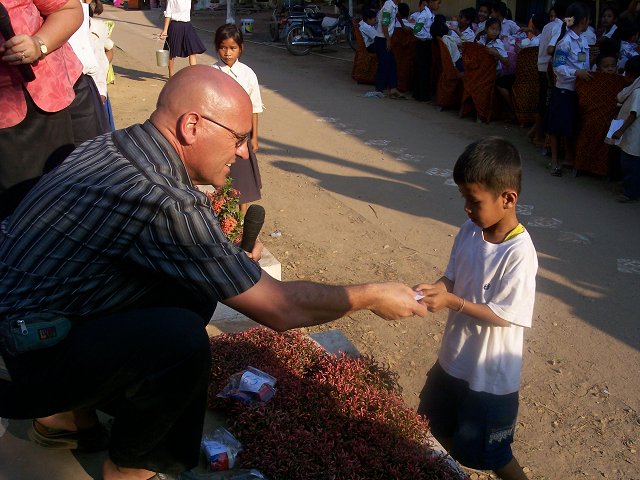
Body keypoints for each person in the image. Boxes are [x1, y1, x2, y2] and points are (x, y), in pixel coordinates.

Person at [0, 66, 428, 480]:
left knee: (198, 287)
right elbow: (282, 308)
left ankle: (64, 420)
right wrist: (371, 295)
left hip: (21, 331)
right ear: (191, 126)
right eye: (239, 138)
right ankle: (130, 469)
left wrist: (226, 262)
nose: (244, 152)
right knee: (180, 342)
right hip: (23, 364)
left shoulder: (116, 145)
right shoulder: (162, 199)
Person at [415, 137, 538, 480]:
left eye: (474, 200)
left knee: (494, 456)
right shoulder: (470, 231)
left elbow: (504, 315)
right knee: (433, 430)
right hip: (452, 362)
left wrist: (452, 302)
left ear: (508, 198)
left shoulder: (519, 253)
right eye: (464, 199)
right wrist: (435, 290)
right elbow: (452, 277)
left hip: (488, 380)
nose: (467, 209)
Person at [0, 0, 83, 219]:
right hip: (6, 120)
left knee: (60, 202)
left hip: (46, 100)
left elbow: (69, 9)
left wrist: (39, 44)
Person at [212, 24, 264, 215]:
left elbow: (255, 107)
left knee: (242, 178)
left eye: (232, 48)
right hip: (218, 134)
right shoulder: (211, 72)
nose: (227, 53)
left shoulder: (248, 74)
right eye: (223, 47)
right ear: (217, 47)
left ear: (241, 48)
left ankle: (241, 219)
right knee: (219, 176)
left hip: (242, 135)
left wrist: (254, 137)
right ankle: (222, 215)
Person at [545, 2, 592, 177]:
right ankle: (554, 161)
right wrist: (576, 73)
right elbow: (558, 67)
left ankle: (569, 157)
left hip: (579, 90)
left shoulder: (583, 41)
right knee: (556, 127)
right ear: (584, 20)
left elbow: (584, 63)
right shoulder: (565, 42)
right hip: (564, 89)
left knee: (571, 126)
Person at [611, 56, 640, 202]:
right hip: (632, 136)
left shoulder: (637, 92)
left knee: (630, 164)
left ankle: (630, 192)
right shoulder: (634, 91)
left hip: (633, 136)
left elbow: (633, 114)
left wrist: (620, 131)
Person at [159, 0, 206, 77]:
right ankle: (171, 75)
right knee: (171, 52)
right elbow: (168, 14)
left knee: (192, 50)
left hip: (187, 26)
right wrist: (165, 30)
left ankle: (194, 75)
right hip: (175, 26)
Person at [476, 17, 513, 114]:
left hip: (494, 73)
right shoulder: (481, 39)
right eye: (492, 29)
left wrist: (497, 54)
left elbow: (507, 63)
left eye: (497, 30)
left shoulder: (498, 44)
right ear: (486, 29)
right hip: (480, 70)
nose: (495, 32)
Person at [408, 0, 440, 101]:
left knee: (425, 68)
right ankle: (421, 95)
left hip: (427, 44)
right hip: (423, 44)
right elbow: (416, 31)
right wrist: (428, 36)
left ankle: (420, 93)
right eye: (438, 2)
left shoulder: (431, 15)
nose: (439, 5)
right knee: (422, 69)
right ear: (430, 2)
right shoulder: (424, 15)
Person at [374, 0, 405, 97]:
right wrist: (388, 40)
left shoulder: (394, 6)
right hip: (382, 39)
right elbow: (384, 24)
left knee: (391, 63)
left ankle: (392, 88)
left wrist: (403, 25)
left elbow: (397, 15)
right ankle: (379, 89)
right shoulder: (388, 7)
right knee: (384, 64)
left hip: (385, 38)